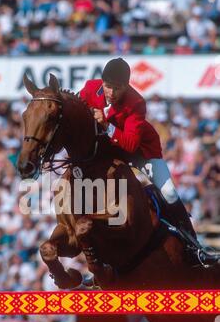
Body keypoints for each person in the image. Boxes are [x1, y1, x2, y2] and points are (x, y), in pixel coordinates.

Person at [79, 57, 219, 265]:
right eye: (108, 87)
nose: (111, 93)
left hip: (141, 152)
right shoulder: (91, 88)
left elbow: (130, 144)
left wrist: (107, 126)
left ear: (126, 87)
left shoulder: (136, 102)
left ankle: (194, 247)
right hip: (110, 152)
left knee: (170, 192)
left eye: (117, 89)